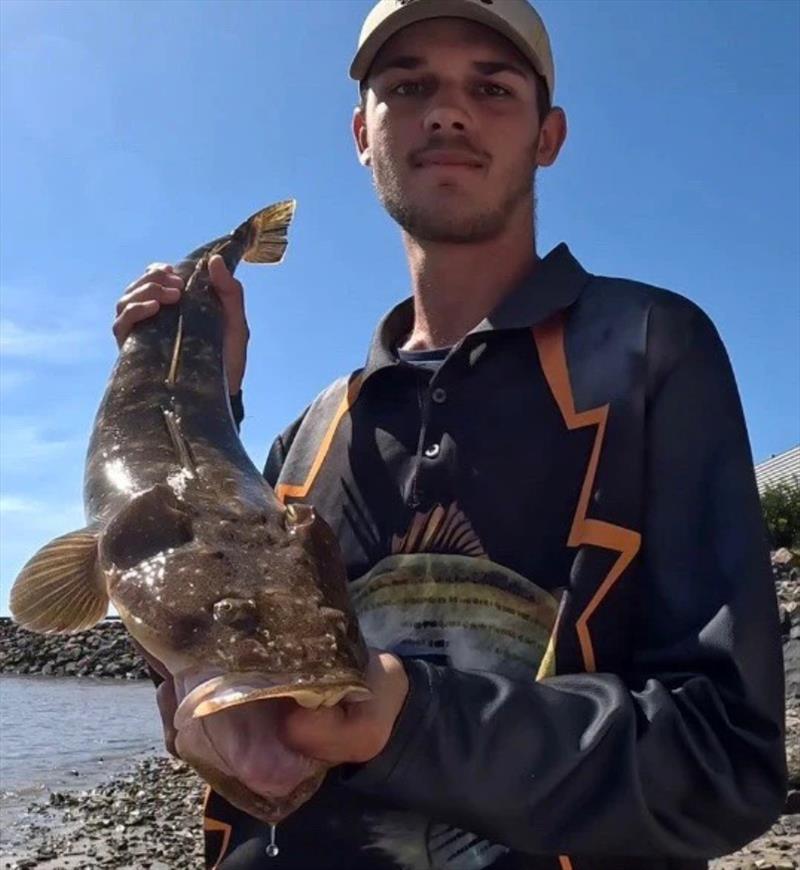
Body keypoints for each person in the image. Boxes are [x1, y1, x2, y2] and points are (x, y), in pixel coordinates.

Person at [113, 1, 787, 868]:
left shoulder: (653, 349)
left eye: (492, 86)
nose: (447, 111)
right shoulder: (307, 441)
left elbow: (723, 759)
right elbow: (212, 675)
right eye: (409, 84)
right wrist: (197, 392)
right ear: (364, 133)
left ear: (549, 136)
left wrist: (414, 717)